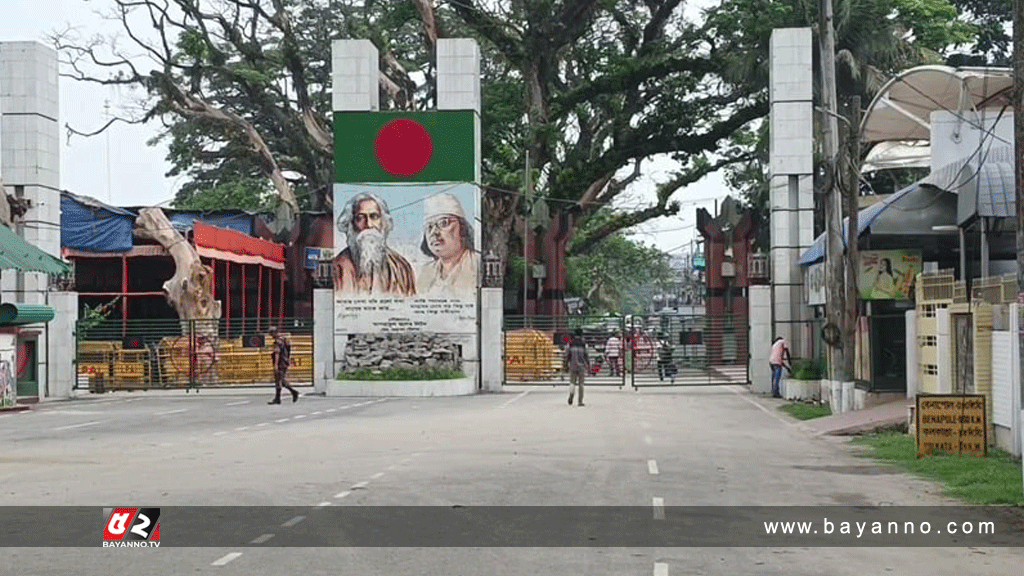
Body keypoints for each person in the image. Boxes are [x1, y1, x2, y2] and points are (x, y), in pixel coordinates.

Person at [334, 192, 416, 296]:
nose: (368, 224)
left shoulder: (401, 267)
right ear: (351, 224)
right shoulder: (338, 267)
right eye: (360, 218)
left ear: (383, 222)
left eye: (374, 216)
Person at [417, 192, 480, 295]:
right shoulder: (425, 273)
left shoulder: (477, 265)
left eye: (443, 223)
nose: (434, 233)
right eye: (429, 227)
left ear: (462, 228)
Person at [268, 326, 299, 405]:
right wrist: (287, 359)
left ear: (274, 332)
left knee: (280, 379)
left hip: (280, 363)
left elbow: (277, 353)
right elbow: (288, 350)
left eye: (271, 333)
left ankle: (293, 392)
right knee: (279, 380)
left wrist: (275, 365)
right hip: (284, 362)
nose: (271, 335)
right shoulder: (285, 340)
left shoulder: (278, 342)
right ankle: (277, 398)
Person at [563, 328, 589, 407]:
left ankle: (571, 394)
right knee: (581, 384)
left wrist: (565, 365)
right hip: (581, 367)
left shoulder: (570, 344)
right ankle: (580, 401)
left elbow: (567, 355)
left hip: (573, 366)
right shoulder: (584, 344)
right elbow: (586, 355)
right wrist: (588, 364)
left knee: (572, 382)